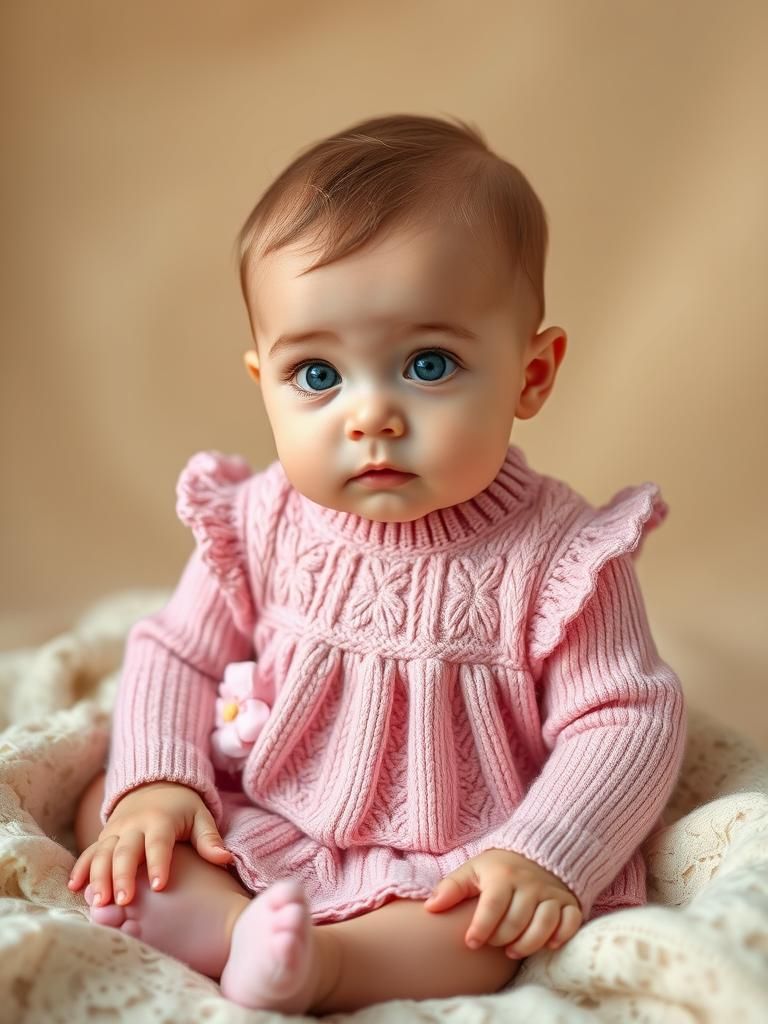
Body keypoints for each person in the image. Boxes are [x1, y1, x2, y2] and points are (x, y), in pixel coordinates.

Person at [68, 113, 687, 1016]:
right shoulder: (261, 517)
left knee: (480, 933)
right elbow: (178, 651)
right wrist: (159, 783)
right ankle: (229, 922)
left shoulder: (563, 556)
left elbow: (625, 718)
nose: (371, 416)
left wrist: (546, 848)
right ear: (263, 380)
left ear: (532, 372)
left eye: (428, 363)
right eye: (318, 376)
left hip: (454, 850)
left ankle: (329, 967)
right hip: (271, 810)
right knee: (112, 811)